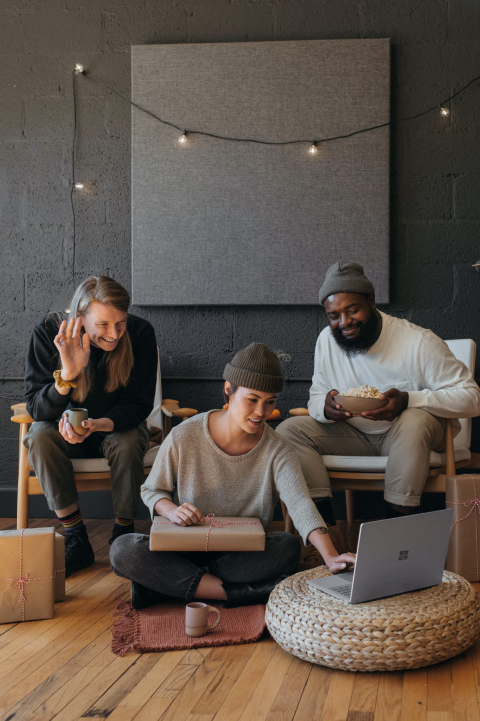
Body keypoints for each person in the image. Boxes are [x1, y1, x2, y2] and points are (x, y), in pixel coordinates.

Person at [110, 343, 355, 609]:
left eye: (270, 401)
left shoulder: (278, 450)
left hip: (240, 554)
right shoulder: (184, 435)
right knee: (123, 549)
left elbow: (299, 503)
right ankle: (235, 594)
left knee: (286, 546)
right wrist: (171, 511)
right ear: (229, 390)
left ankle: (167, 589)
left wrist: (331, 556)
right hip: (183, 549)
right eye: (252, 399)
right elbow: (151, 490)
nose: (261, 412)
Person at [277, 261, 480, 518]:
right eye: (334, 316)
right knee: (288, 430)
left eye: (353, 310)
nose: (344, 322)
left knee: (414, 419)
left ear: (371, 301)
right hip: (354, 436)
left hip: (413, 437)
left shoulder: (418, 342)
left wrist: (409, 400)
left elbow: (472, 398)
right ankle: (325, 531)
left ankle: (397, 525)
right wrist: (325, 408)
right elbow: (317, 395)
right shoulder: (326, 341)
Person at [24, 276, 157, 577]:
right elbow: (36, 407)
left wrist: (101, 424)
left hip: (114, 428)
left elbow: (138, 404)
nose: (114, 334)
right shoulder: (48, 333)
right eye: (103, 325)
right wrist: (69, 373)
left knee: (126, 440)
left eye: (120, 322)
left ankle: (123, 534)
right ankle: (76, 537)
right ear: (80, 317)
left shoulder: (140, 334)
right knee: (40, 436)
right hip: (64, 431)